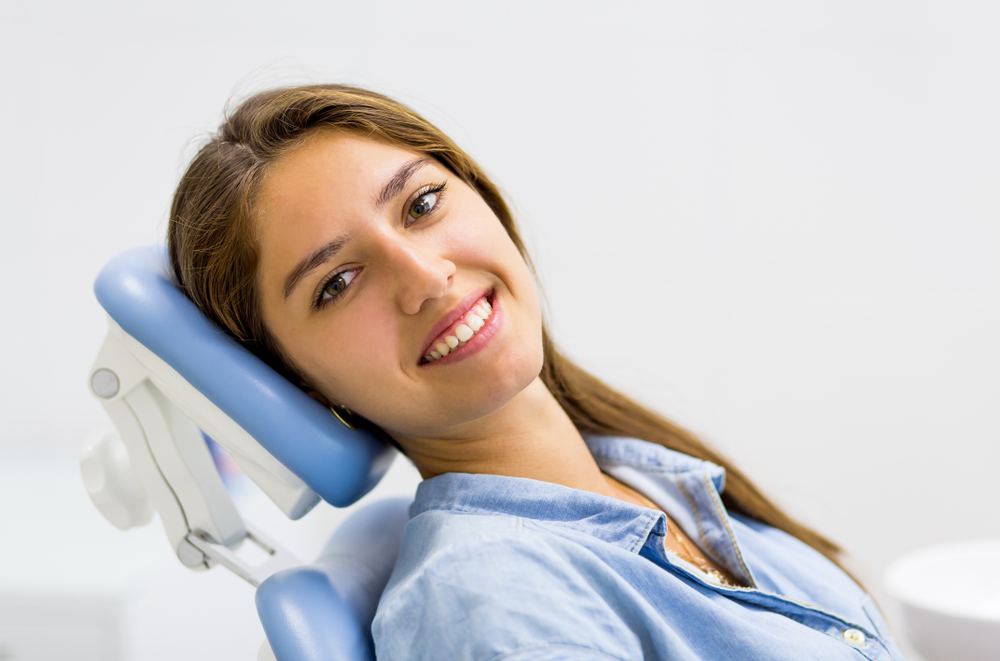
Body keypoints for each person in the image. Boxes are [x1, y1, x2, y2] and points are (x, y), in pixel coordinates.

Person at [168, 84, 906, 660]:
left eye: (421, 203)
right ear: (304, 384)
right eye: (337, 283)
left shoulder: (641, 475)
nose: (424, 276)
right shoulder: (498, 602)